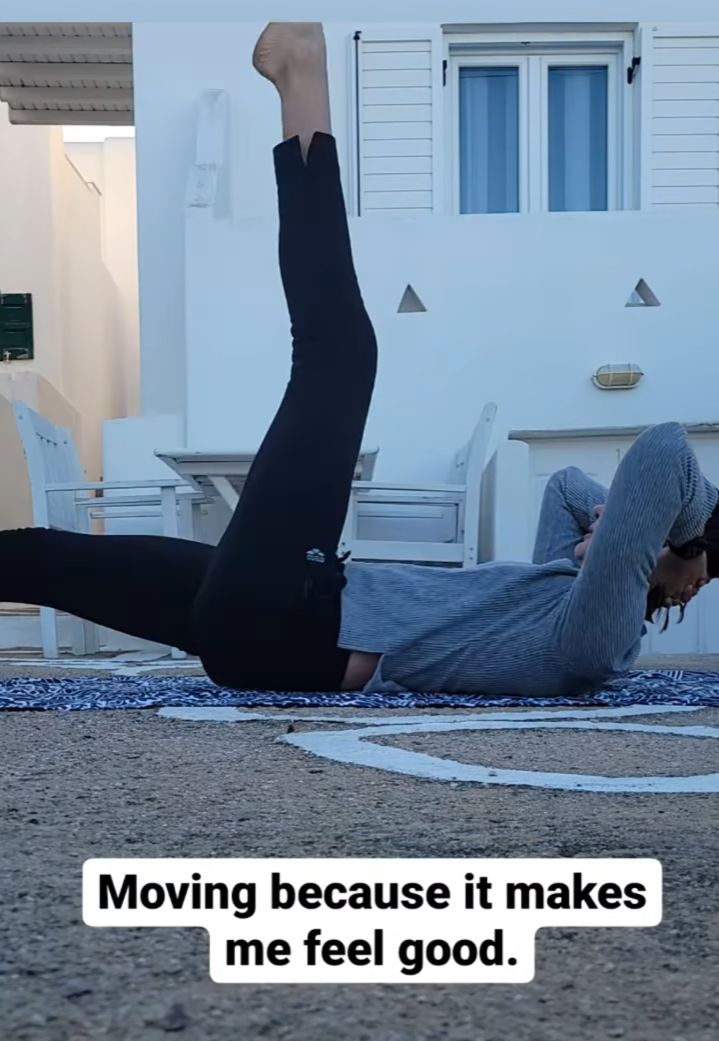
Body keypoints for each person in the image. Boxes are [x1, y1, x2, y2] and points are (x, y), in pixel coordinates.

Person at [1, 23, 717, 699]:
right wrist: (620, 530)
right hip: (272, 614)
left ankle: (302, 81)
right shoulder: (562, 589)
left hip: (293, 623)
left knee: (340, 354)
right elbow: (565, 486)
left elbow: (661, 453)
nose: (695, 586)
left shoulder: (600, 640)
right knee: (53, 561)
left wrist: (690, 540)